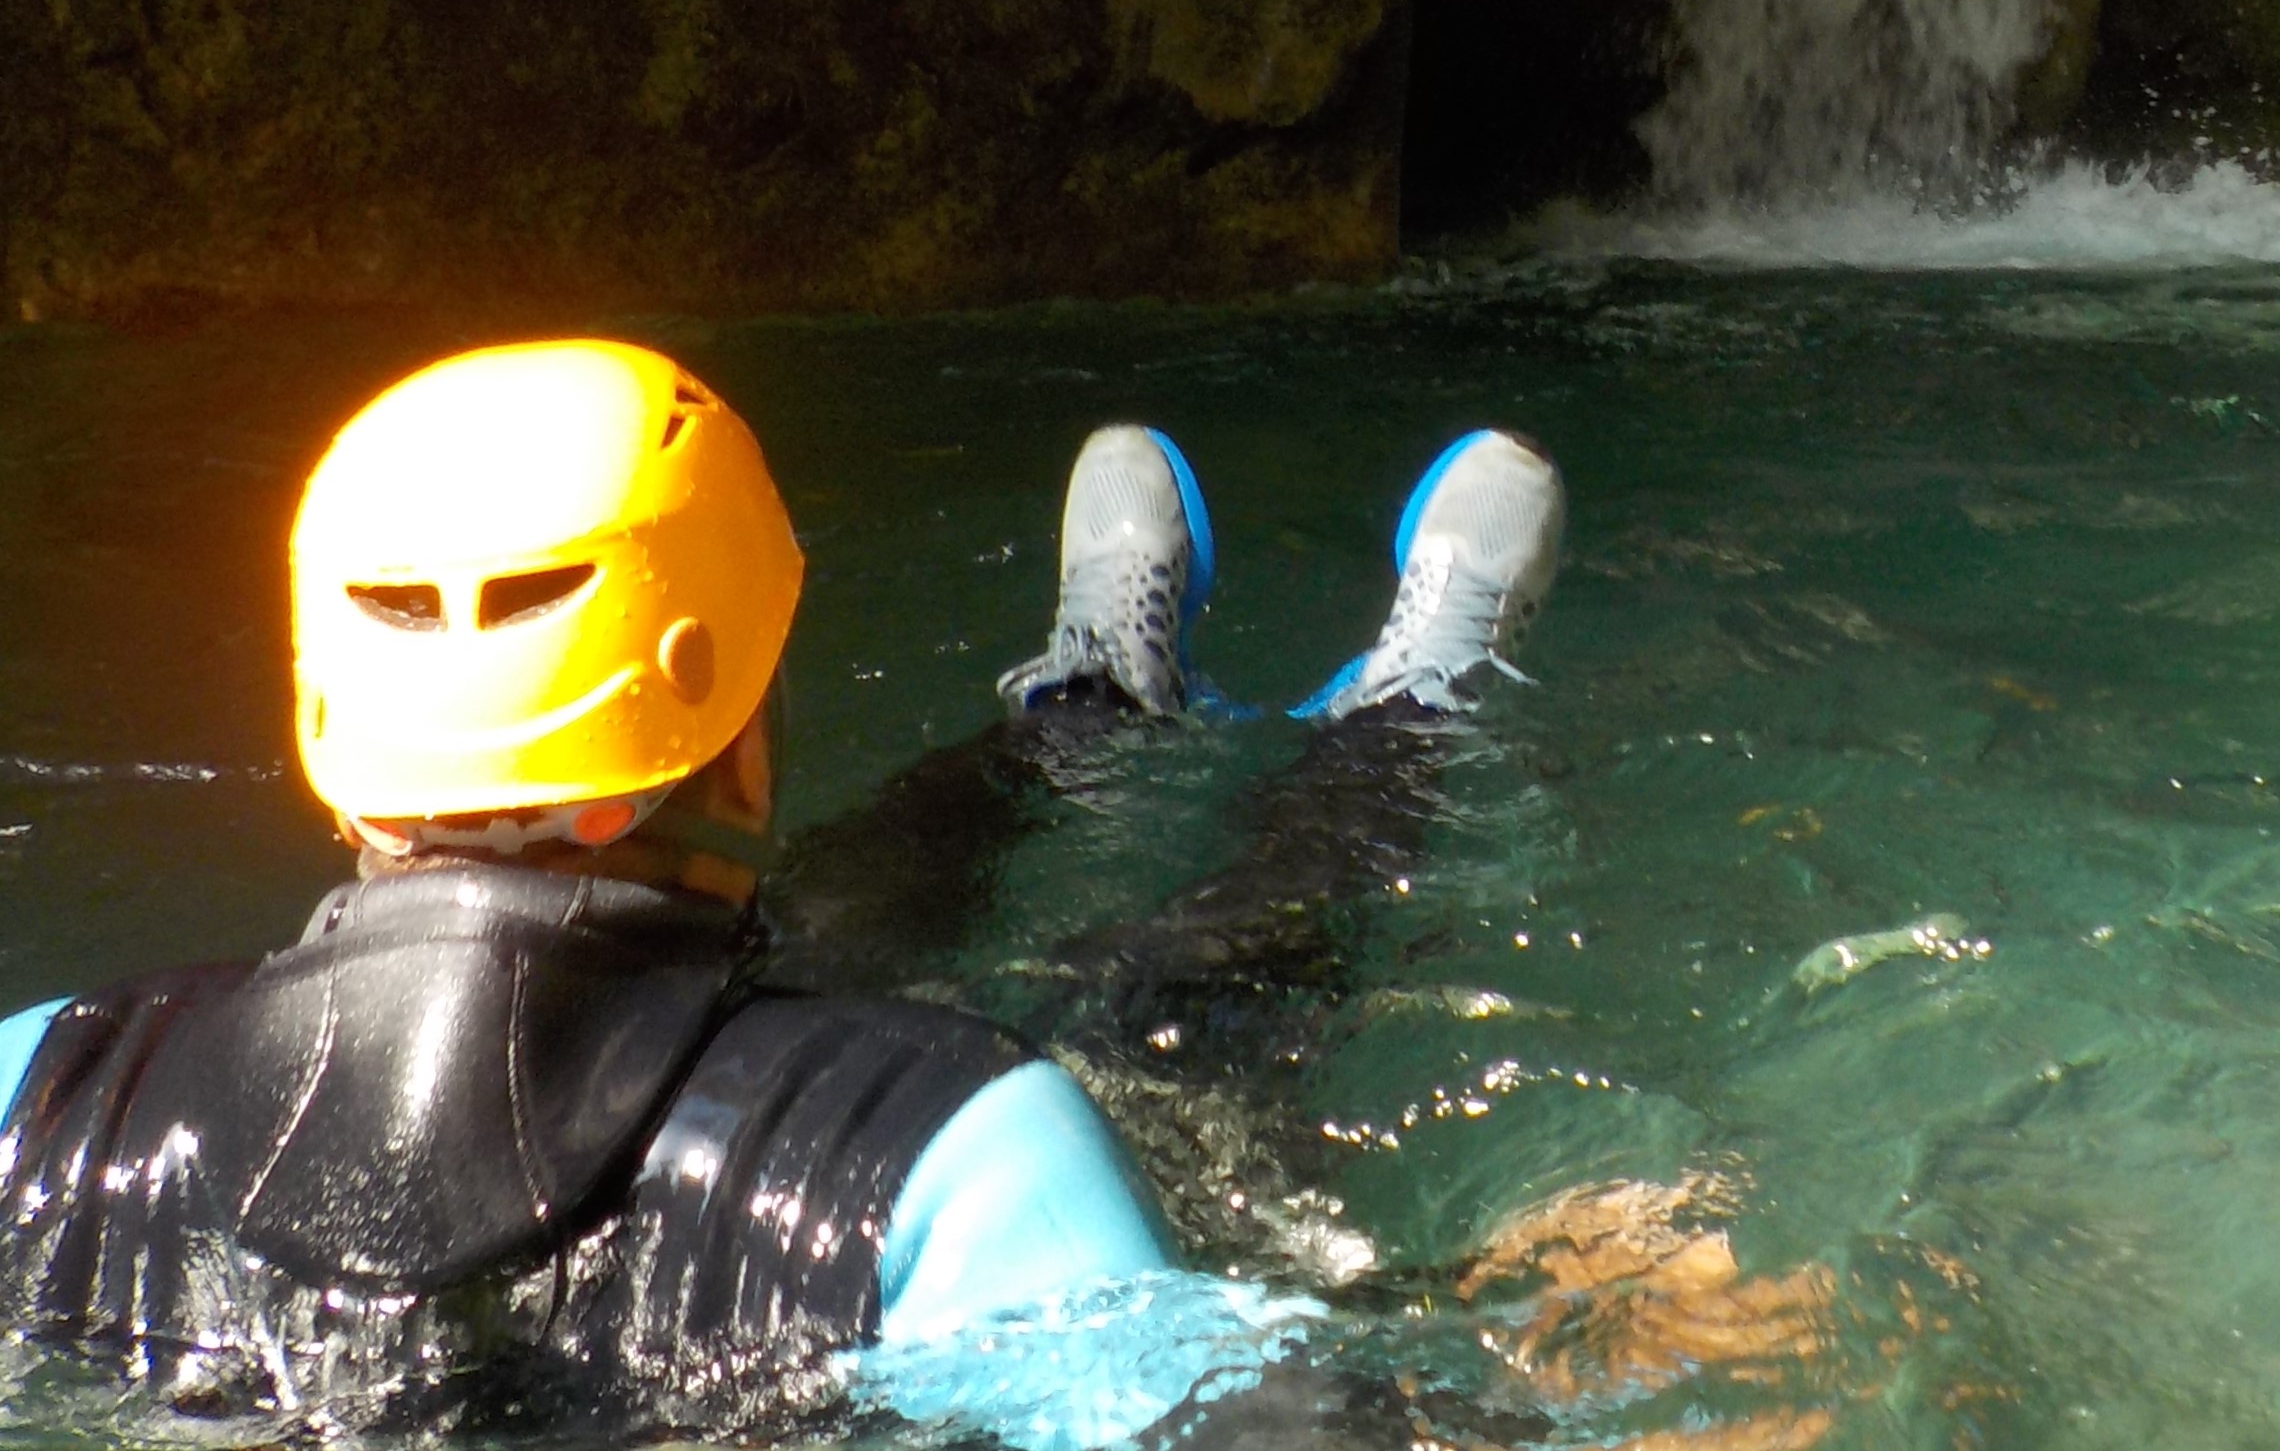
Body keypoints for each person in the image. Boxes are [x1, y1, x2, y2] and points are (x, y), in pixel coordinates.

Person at [0, 340, 1563, 1449]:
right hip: (882, 1172)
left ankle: (1089, 703)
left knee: (788, 951)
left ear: (328, 736)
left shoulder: (42, 1084)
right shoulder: (966, 1154)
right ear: (742, 740)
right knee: (1164, 1013)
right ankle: (1403, 723)